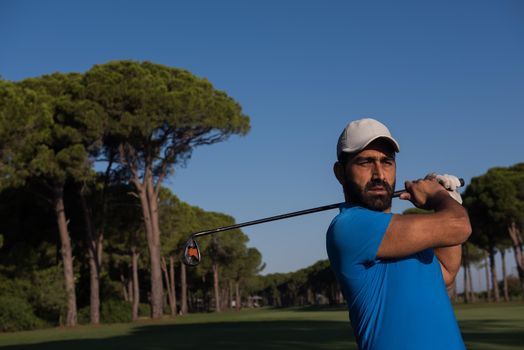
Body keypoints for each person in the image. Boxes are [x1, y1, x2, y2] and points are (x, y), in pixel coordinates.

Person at [326, 118, 471, 350]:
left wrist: (449, 198)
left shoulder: (402, 233)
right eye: (365, 162)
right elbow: (459, 226)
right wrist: (437, 197)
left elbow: (445, 272)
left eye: (387, 162)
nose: (379, 174)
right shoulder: (349, 226)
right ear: (340, 173)